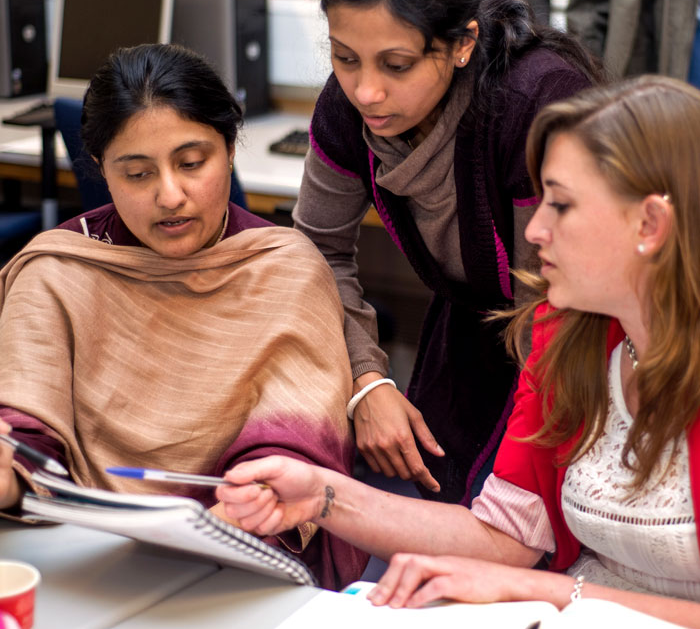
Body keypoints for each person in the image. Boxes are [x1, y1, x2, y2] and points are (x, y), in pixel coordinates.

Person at [215, 76, 700, 626]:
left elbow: (517, 571)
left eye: (561, 205)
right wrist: (321, 496)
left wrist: (545, 591)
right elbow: (505, 538)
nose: (536, 230)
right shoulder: (569, 334)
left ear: (651, 224)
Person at [0, 43, 367, 590]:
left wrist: (236, 519)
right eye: (137, 174)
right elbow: (27, 438)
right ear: (101, 169)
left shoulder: (284, 269)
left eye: (192, 164)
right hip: (85, 562)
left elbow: (290, 447)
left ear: (230, 150)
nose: (170, 195)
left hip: (246, 558)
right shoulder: (58, 270)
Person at [293, 0, 605, 503]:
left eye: (397, 64)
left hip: (567, 345)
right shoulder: (346, 109)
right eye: (344, 58)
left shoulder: (534, 103)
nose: (365, 91)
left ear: (462, 44)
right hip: (468, 333)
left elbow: (558, 298)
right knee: (437, 512)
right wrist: (366, 379)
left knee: (515, 532)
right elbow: (315, 250)